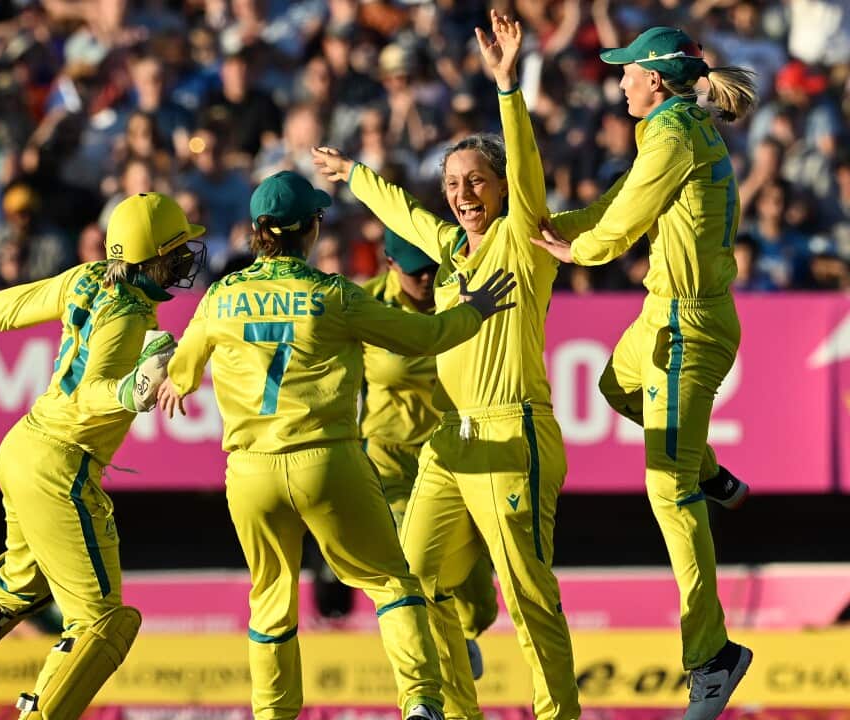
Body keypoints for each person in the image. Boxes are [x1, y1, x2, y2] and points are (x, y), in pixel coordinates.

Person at [155, 170, 516, 720]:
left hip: (249, 472)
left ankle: (273, 714)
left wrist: (169, 379)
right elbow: (426, 336)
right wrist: (475, 310)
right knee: (392, 580)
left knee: (271, 599)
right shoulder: (333, 294)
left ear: (258, 232)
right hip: (328, 459)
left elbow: (178, 372)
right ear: (312, 230)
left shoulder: (222, 295)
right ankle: (421, 701)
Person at [313, 13, 579, 719]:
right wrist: (353, 174)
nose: (463, 193)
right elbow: (403, 213)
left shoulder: (521, 240)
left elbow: (526, 173)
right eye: (454, 181)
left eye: (478, 180)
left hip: (511, 434)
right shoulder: (451, 250)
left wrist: (506, 87)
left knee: (528, 598)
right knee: (412, 583)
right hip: (451, 442)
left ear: (502, 188)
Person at [0, 192, 206, 718]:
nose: (182, 263)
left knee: (24, 577)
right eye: (176, 254)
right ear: (151, 258)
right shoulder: (129, 316)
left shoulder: (87, 276)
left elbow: (14, 306)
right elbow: (91, 395)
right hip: (62, 462)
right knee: (103, 621)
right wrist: (132, 390)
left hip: (24, 448)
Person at [532, 26, 760, 720]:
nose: (619, 82)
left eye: (627, 72)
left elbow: (618, 230)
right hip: (665, 314)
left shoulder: (668, 135)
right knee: (614, 389)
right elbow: (614, 206)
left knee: (667, 488)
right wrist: (547, 225)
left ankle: (712, 654)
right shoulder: (675, 124)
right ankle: (714, 474)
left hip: (686, 324)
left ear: (655, 80)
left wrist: (569, 251)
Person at [360, 230, 499, 680]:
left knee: (479, 597)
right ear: (390, 267)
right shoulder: (362, 306)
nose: (424, 278)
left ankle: (464, 634)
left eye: (431, 269)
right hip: (391, 460)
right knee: (414, 565)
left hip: (454, 454)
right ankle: (426, 682)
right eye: (414, 270)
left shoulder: (462, 296)